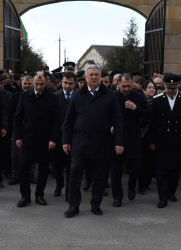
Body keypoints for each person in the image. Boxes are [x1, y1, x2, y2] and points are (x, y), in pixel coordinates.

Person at [62, 64, 124, 217]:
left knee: (100, 176)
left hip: (102, 143)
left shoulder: (110, 95)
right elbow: (68, 121)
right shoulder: (77, 95)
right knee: (75, 175)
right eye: (91, 75)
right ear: (86, 77)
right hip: (79, 143)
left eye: (97, 74)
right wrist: (65, 141)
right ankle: (73, 206)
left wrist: (119, 142)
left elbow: (118, 121)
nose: (94, 77)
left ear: (101, 77)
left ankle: (96, 204)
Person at [14, 73, 61, 207]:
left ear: (46, 83)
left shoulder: (52, 98)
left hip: (45, 140)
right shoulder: (24, 96)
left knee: (43, 169)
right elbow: (17, 118)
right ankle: (25, 196)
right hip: (27, 139)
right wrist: (17, 137)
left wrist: (53, 139)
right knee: (23, 168)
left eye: (42, 84)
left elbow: (56, 121)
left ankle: (39, 195)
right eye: (37, 84)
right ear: (33, 83)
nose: (39, 87)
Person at [149, 74, 181, 208]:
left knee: (175, 169)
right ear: (165, 87)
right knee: (161, 170)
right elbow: (153, 123)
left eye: (173, 88)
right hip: (162, 140)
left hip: (178, 141)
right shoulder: (157, 100)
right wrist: (152, 141)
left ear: (177, 87)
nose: (170, 91)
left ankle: (171, 192)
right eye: (168, 88)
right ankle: (162, 197)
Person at [111, 73, 151, 207]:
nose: (126, 89)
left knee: (135, 167)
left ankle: (132, 186)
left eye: (129, 86)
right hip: (116, 137)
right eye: (124, 86)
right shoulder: (113, 96)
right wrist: (110, 126)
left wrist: (136, 108)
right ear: (118, 84)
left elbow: (149, 114)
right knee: (116, 169)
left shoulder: (138, 96)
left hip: (134, 137)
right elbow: (103, 115)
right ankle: (117, 196)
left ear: (133, 85)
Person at [53, 72, 76, 199]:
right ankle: (59, 184)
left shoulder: (78, 96)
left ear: (75, 84)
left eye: (70, 83)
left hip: (73, 137)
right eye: (65, 83)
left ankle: (69, 190)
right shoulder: (55, 96)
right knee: (57, 166)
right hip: (58, 137)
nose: (67, 86)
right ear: (61, 82)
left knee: (71, 167)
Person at [138, 80, 156, 194]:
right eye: (149, 87)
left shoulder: (156, 101)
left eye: (153, 87)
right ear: (143, 89)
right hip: (142, 135)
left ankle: (147, 182)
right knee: (142, 162)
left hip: (153, 135)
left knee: (150, 161)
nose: (152, 89)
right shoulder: (139, 101)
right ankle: (141, 184)